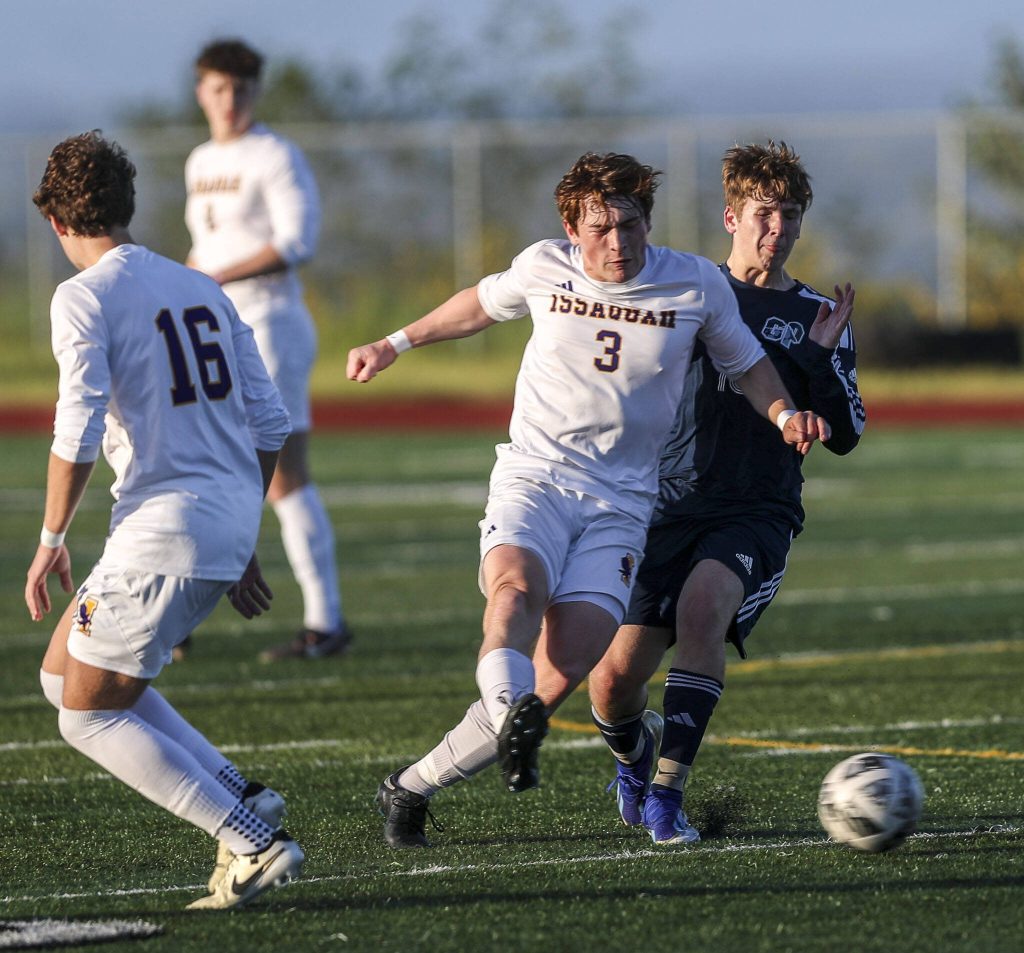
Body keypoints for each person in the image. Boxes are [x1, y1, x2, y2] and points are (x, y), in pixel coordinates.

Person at [347, 151, 832, 849]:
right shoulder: (545, 265)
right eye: (599, 228)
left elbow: (748, 364)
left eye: (629, 225)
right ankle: (518, 716)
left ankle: (412, 784)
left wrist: (786, 413)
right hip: (535, 479)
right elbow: (480, 304)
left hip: (623, 505)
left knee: (569, 668)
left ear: (648, 223)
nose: (616, 242)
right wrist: (395, 342)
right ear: (571, 230)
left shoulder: (693, 285)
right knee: (513, 594)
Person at [25, 131, 303, 909]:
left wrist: (50, 540)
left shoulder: (82, 295)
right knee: (60, 675)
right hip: (218, 521)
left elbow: (75, 428)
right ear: (129, 204)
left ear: (55, 220)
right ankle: (239, 789)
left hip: (162, 530)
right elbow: (270, 421)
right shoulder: (201, 285)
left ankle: (253, 838)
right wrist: (244, 533)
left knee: (85, 718)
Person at [586, 140, 866, 846]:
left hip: (755, 510)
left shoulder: (816, 313)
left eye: (790, 215)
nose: (777, 229)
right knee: (612, 684)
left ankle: (666, 797)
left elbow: (846, 433)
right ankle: (634, 755)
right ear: (731, 215)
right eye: (764, 213)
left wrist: (823, 361)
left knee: (704, 605)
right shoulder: (687, 289)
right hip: (667, 503)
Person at [184, 38, 350, 661]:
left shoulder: (276, 155)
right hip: (211, 331)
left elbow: (296, 242)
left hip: (271, 327)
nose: (230, 101)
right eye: (219, 88)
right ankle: (176, 612)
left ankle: (325, 622)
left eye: (242, 89)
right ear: (202, 91)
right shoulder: (201, 160)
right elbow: (204, 250)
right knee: (195, 457)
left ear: (256, 91)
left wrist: (215, 279)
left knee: (283, 475)